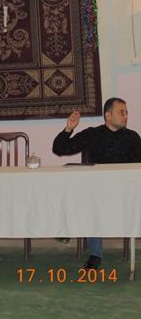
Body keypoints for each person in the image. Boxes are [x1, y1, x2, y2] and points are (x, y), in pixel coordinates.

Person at [52, 97, 141, 269]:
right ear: (108, 115)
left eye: (126, 113)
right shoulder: (92, 134)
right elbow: (59, 149)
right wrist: (68, 128)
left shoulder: (132, 137)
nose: (126, 116)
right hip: (95, 191)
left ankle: (67, 226)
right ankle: (95, 254)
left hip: (124, 192)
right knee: (82, 194)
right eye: (121, 112)